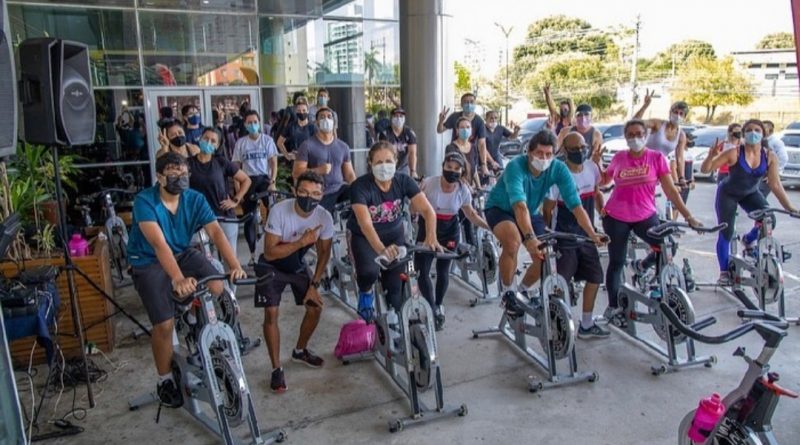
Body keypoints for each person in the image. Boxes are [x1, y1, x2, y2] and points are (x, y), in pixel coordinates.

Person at [127, 152, 246, 409]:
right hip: (148, 260)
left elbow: (215, 231)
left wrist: (235, 265)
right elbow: (159, 245)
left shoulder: (194, 199)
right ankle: (165, 380)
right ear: (159, 177)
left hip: (181, 252)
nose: (179, 179)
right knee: (164, 325)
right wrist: (178, 279)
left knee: (216, 286)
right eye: (173, 174)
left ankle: (192, 318)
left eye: (183, 174)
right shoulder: (145, 202)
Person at [483, 130, 605, 315]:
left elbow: (576, 205)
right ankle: (508, 293)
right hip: (501, 209)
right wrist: (530, 238)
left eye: (549, 154)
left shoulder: (558, 169)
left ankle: (521, 289)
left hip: (530, 212)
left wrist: (591, 233)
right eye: (540, 153)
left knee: (545, 256)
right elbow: (519, 207)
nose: (544, 158)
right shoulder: (516, 166)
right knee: (513, 240)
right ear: (529, 152)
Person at [599, 119, 701, 325]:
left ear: (646, 136)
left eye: (639, 134)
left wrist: (688, 216)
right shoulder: (619, 158)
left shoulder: (656, 158)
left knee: (666, 247)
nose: (635, 138)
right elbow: (603, 181)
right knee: (617, 262)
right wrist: (595, 163)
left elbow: (670, 190)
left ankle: (642, 267)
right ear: (626, 137)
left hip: (645, 215)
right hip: (616, 216)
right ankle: (613, 306)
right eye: (631, 134)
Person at [254, 171, 333, 393]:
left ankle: (300, 350)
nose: (310, 198)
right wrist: (301, 242)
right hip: (270, 264)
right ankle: (276, 369)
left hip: (296, 263)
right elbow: (270, 253)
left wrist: (314, 285)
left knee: (315, 307)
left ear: (322, 194)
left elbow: (324, 252)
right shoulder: (280, 211)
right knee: (271, 313)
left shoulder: (324, 217)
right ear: (295, 191)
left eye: (316, 194)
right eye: (304, 192)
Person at [348, 141, 442, 322]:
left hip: (395, 234)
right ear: (370, 164)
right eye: (379, 162)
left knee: (396, 287)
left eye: (388, 161)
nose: (384, 166)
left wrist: (431, 236)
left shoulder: (403, 180)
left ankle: (397, 321)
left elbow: (428, 211)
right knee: (369, 272)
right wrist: (382, 249)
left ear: (396, 161)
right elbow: (366, 225)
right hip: (365, 237)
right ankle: (366, 294)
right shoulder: (360, 186)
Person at [700, 119, 798, 285]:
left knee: (769, 219)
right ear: (744, 134)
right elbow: (706, 169)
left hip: (750, 193)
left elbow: (775, 184)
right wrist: (711, 156)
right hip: (728, 194)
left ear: (763, 134)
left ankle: (748, 239)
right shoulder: (735, 153)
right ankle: (724, 273)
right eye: (749, 130)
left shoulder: (769, 156)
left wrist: (790, 208)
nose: (753, 133)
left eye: (757, 130)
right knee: (726, 231)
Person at [542, 132, 609, 338]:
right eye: (574, 149)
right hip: (565, 236)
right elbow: (547, 209)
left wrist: (601, 211)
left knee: (595, 278)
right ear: (564, 151)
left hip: (587, 235)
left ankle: (587, 325)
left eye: (582, 147)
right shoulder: (558, 176)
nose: (580, 152)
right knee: (560, 283)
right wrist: (548, 236)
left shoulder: (591, 167)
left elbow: (597, 191)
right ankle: (557, 325)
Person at [414, 152, 489, 330]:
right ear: (443, 167)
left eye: (456, 169)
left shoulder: (463, 190)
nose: (452, 171)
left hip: (450, 231)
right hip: (428, 228)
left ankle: (438, 305)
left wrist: (489, 227)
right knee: (421, 270)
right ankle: (430, 306)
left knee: (443, 270)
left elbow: (471, 214)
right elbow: (413, 207)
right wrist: (416, 199)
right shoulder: (430, 184)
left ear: (462, 171)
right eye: (449, 167)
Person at [187, 127, 252, 261]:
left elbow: (246, 180)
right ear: (200, 139)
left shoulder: (221, 161)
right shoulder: (188, 164)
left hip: (224, 216)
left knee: (230, 259)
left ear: (217, 145)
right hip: (200, 220)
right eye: (206, 139)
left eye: (213, 141)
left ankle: (232, 283)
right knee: (206, 261)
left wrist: (236, 200)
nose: (208, 142)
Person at [232, 110, 279, 266]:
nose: (252, 125)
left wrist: (273, 181)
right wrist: (238, 190)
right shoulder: (241, 143)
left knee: (273, 213)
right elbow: (236, 168)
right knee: (249, 219)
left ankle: (273, 246)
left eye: (255, 122)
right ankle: (253, 253)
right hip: (248, 181)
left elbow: (273, 162)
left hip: (264, 178)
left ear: (259, 123)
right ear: (245, 124)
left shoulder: (267, 140)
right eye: (249, 122)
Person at [292, 107, 357, 213]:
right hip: (320, 193)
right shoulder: (307, 145)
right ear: (317, 122)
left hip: (340, 190)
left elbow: (349, 174)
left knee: (359, 199)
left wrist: (359, 190)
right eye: (322, 117)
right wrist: (318, 170)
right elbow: (296, 172)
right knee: (324, 219)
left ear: (333, 121)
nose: (326, 119)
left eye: (329, 117)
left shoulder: (343, 146)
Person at [633, 92, 690, 190]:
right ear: (670, 113)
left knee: (672, 192)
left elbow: (680, 158)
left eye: (681, 114)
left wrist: (681, 178)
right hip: (641, 165)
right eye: (675, 112)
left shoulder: (681, 135)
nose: (677, 116)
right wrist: (645, 105)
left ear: (685, 117)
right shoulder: (658, 124)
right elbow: (634, 122)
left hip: (658, 169)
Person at [438, 93, 490, 176]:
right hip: (455, 151)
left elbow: (482, 144)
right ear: (462, 104)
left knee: (471, 176)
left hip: (470, 153)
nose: (469, 104)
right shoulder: (454, 117)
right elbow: (440, 130)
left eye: (471, 102)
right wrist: (441, 121)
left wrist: (484, 165)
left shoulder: (479, 121)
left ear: (475, 104)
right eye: (466, 102)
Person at [379, 107, 418, 177]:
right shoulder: (385, 133)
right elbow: (383, 152)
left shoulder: (409, 133)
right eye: (396, 116)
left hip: (404, 167)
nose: (398, 119)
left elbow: (412, 153)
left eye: (401, 116)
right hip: (388, 166)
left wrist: (413, 170)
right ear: (391, 118)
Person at [445, 117, 480, 187]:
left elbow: (475, 171)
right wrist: (468, 187)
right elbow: (453, 171)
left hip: (470, 189)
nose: (465, 130)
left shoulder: (473, 147)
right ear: (457, 130)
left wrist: (479, 187)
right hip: (456, 188)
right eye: (462, 127)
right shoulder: (451, 148)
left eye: (468, 127)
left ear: (471, 130)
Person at [761, 120, 789, 197]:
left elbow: (783, 158)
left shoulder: (776, 142)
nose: (761, 130)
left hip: (768, 176)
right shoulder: (761, 140)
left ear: (770, 130)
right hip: (760, 174)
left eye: (764, 128)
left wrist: (773, 173)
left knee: (761, 196)